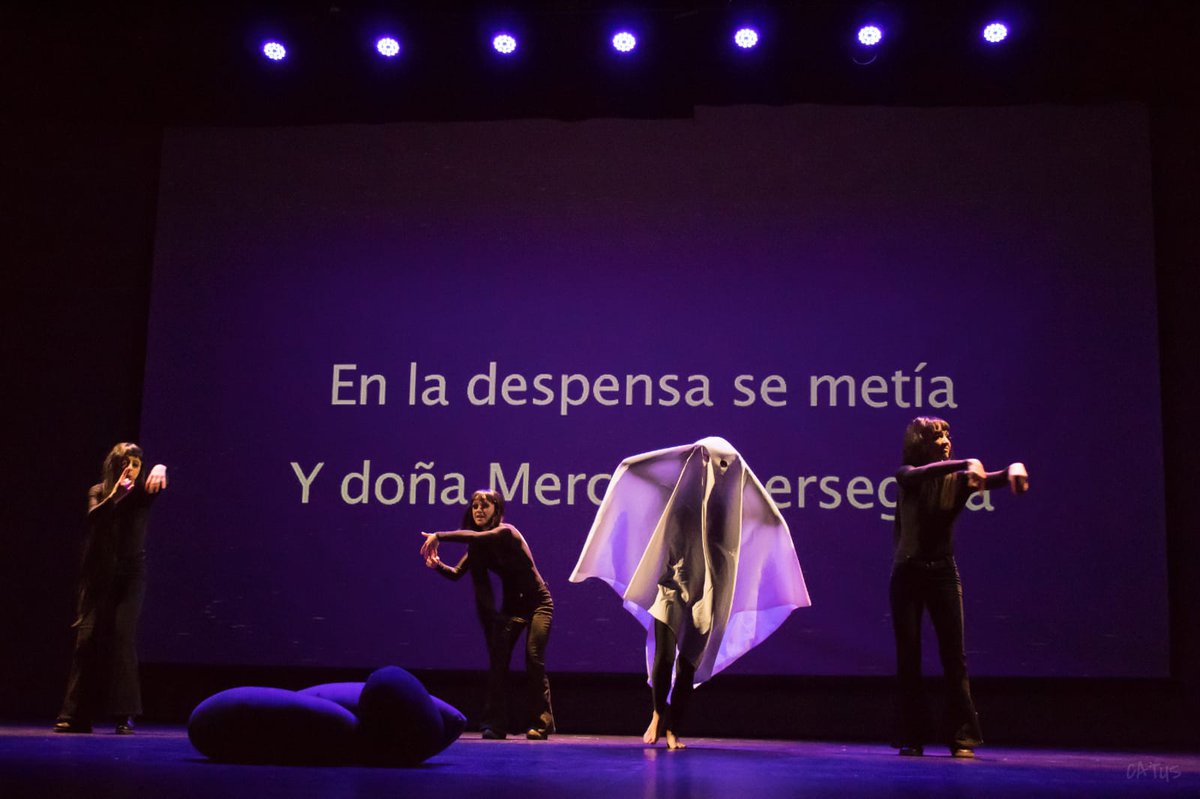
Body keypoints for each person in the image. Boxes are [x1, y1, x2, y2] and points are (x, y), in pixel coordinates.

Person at [570, 437, 810, 749]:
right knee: (665, 653)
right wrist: (670, 458)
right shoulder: (679, 494)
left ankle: (673, 727)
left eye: (725, 466)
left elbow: (769, 519)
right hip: (670, 585)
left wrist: (769, 513)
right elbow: (637, 471)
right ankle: (658, 712)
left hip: (709, 594)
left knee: (687, 664)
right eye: (709, 461)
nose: (717, 470)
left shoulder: (731, 506)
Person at [890, 417, 1028, 758]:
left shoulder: (961, 480)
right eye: (936, 437)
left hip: (943, 573)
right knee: (909, 656)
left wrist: (1014, 468)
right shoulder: (907, 474)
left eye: (948, 435)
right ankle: (912, 736)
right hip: (908, 574)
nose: (945, 441)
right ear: (920, 444)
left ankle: (962, 737)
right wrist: (968, 462)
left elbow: (996, 478)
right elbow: (915, 476)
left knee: (954, 657)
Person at [420, 489, 554, 740]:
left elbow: (476, 536)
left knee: (533, 658)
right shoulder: (478, 547)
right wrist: (437, 565)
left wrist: (439, 536)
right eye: (475, 506)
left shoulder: (507, 532)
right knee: (498, 661)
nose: (479, 510)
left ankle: (542, 723)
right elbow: (456, 573)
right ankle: (496, 724)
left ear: (497, 510)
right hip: (513, 608)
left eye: (485, 506)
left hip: (539, 604)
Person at [55, 442, 168, 734]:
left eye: (136, 464)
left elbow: (159, 482)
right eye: (124, 463)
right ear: (113, 466)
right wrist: (115, 496)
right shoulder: (98, 491)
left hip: (131, 575)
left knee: (122, 636)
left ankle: (124, 715)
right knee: (87, 640)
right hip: (98, 574)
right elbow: (94, 518)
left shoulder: (142, 493)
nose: (130, 469)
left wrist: (160, 466)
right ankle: (75, 715)